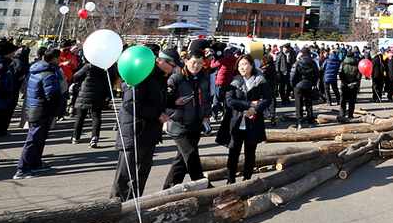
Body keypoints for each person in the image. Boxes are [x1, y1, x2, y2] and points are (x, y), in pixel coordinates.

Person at [110, 47, 177, 201]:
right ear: (162, 62)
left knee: (141, 175)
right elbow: (131, 104)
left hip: (149, 133)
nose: (174, 70)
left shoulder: (159, 79)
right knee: (125, 178)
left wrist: (173, 103)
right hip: (134, 132)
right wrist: (157, 114)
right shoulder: (143, 73)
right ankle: (115, 211)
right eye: (173, 66)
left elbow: (154, 100)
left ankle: (134, 208)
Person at [216, 53, 272, 183]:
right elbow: (230, 101)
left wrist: (255, 110)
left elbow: (268, 99)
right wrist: (250, 104)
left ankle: (247, 180)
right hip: (235, 123)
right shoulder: (234, 81)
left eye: (245, 64)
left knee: (250, 154)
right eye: (240, 65)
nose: (242, 67)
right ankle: (230, 181)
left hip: (253, 123)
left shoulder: (260, 81)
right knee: (233, 154)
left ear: (252, 65)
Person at [163, 47, 212, 188]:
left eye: (199, 63)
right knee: (191, 155)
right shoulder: (176, 78)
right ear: (186, 61)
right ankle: (203, 185)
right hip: (179, 125)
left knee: (181, 160)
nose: (195, 66)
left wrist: (206, 116)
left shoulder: (204, 77)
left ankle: (169, 188)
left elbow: (206, 98)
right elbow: (166, 101)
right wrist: (176, 104)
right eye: (193, 62)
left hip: (196, 124)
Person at [14, 46, 64, 179]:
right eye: (59, 57)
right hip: (40, 110)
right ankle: (22, 169)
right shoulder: (49, 74)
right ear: (54, 59)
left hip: (36, 108)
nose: (61, 59)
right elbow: (53, 95)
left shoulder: (37, 70)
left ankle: (35, 163)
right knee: (33, 140)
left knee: (39, 139)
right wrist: (61, 101)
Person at [71, 57, 112, 148]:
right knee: (96, 117)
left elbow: (76, 76)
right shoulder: (103, 67)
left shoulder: (88, 66)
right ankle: (95, 137)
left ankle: (75, 136)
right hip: (98, 93)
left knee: (80, 117)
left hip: (85, 94)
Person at [290, 47, 320, 129]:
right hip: (308, 84)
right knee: (309, 104)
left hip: (298, 85)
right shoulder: (313, 63)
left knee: (298, 104)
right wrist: (313, 83)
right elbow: (317, 74)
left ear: (302, 53)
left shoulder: (298, 63)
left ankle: (299, 122)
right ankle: (310, 120)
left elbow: (292, 74)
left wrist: (292, 84)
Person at [339, 50, 361, 117]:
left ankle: (342, 114)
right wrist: (354, 83)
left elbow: (341, 74)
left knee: (343, 100)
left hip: (345, 85)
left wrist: (347, 83)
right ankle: (350, 115)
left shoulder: (343, 63)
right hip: (354, 85)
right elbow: (359, 75)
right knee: (352, 101)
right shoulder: (357, 63)